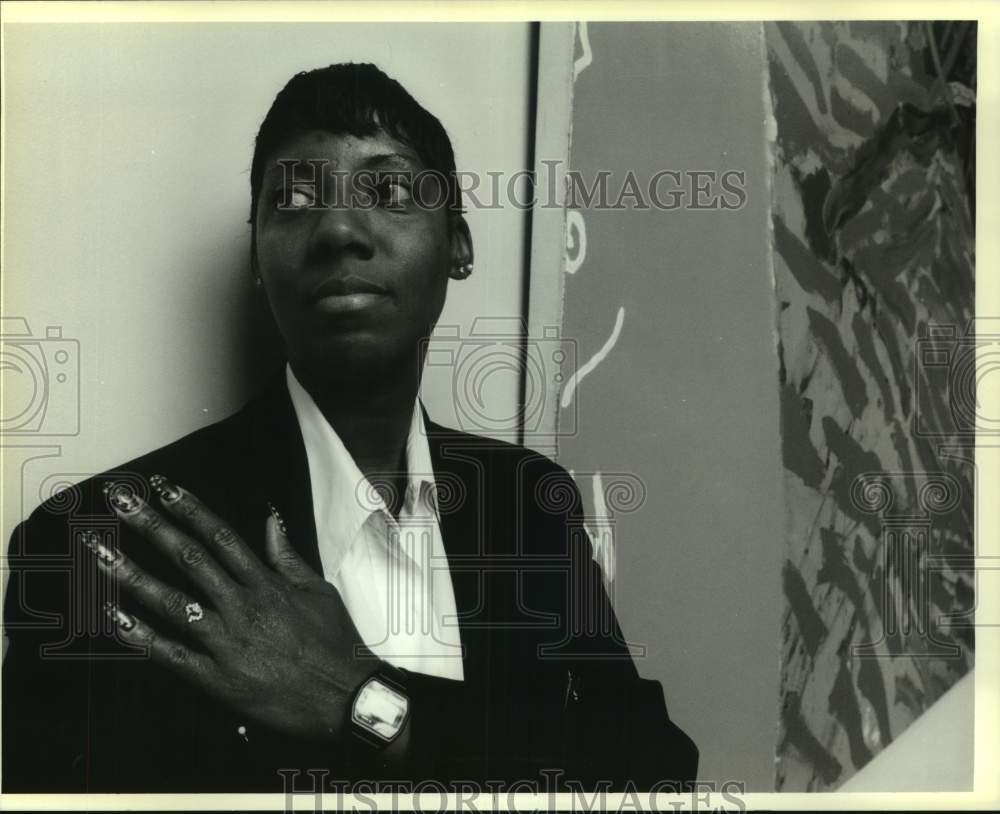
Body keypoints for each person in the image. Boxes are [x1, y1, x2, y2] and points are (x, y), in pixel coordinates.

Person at [2, 62, 697, 793]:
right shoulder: (103, 543)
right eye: (295, 198)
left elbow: (656, 780)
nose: (336, 227)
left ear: (458, 246)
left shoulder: (529, 504)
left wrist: (360, 702)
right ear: (258, 262)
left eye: (390, 191)